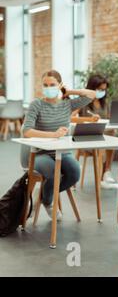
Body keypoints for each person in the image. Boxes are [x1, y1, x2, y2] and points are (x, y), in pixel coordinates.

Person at [23, 70, 96, 220]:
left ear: (59, 85)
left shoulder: (67, 104)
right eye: (45, 85)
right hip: (39, 153)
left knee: (74, 173)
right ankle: (49, 202)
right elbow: (27, 131)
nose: (48, 87)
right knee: (52, 172)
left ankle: (43, 196)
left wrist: (69, 91)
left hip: (62, 152)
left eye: (52, 85)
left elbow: (91, 95)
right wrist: (53, 135)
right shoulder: (36, 104)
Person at [71, 74, 115, 187]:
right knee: (106, 143)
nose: (102, 92)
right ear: (92, 88)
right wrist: (89, 119)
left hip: (101, 136)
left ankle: (106, 172)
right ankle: (102, 177)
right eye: (99, 89)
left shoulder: (104, 103)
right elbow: (71, 117)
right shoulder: (83, 101)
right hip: (86, 138)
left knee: (111, 137)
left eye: (104, 90)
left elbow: (109, 119)